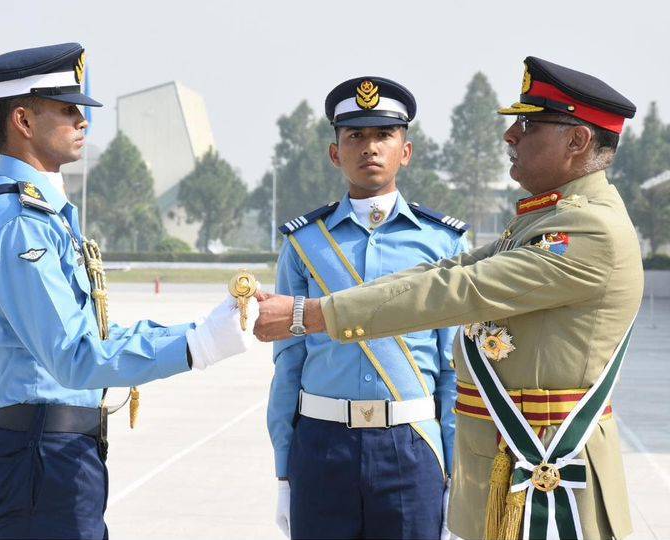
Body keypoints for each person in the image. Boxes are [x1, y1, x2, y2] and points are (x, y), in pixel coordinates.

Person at [255, 56, 641, 540]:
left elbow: (458, 291)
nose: (511, 136)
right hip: (517, 465)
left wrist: (311, 314)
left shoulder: (587, 228)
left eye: (528, 124)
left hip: (552, 478)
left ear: (577, 140)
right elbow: (451, 272)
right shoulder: (547, 219)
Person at [0, 42, 258, 539]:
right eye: (68, 109)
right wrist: (197, 346)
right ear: (23, 121)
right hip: (43, 455)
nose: (83, 122)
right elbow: (74, 356)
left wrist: (200, 330)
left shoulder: (45, 216)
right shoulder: (19, 222)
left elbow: (90, 332)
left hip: (58, 449)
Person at [267, 76, 469, 539]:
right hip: (321, 444)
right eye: (355, 135)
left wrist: (456, 472)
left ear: (407, 150)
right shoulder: (304, 243)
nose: (369, 147)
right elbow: (287, 364)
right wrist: (284, 469)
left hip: (412, 446)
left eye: (383, 135)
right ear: (335, 153)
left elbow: (454, 368)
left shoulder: (443, 243)